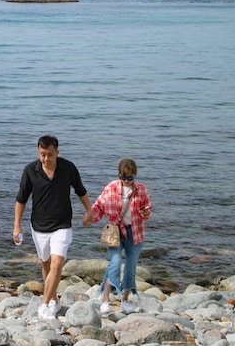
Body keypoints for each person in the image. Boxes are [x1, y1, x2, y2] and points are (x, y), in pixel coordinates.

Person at [13, 135, 91, 320]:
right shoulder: (30, 170)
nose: (46, 159)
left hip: (62, 224)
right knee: (46, 264)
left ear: (57, 152)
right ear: (38, 152)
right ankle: (55, 299)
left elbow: (81, 190)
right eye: (42, 155)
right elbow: (21, 199)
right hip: (38, 226)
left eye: (50, 154)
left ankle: (44, 304)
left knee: (57, 264)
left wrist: (89, 210)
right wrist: (17, 225)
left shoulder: (68, 168)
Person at [88, 158, 153, 313]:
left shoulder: (142, 189)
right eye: (123, 178)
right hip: (115, 233)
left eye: (130, 178)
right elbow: (98, 206)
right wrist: (89, 218)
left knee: (130, 268)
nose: (126, 181)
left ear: (135, 176)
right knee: (115, 263)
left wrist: (145, 212)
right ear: (119, 175)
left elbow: (147, 210)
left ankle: (125, 300)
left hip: (135, 233)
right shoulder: (111, 187)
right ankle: (105, 299)